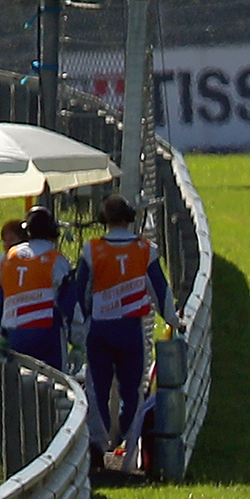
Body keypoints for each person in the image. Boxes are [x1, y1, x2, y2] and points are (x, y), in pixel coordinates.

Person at [79, 195, 183, 473]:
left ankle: (98, 447)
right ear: (129, 218)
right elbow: (160, 290)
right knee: (133, 391)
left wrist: (80, 325)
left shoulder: (92, 250)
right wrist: (173, 319)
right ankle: (130, 448)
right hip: (131, 329)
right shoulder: (145, 249)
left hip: (99, 329)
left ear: (104, 220)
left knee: (97, 389)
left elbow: (81, 292)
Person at [0, 206, 78, 371]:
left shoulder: (6, 258)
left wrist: (2, 332)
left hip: (14, 331)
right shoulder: (56, 260)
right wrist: (77, 341)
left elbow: (1, 298)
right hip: (46, 331)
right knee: (56, 380)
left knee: (19, 381)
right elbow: (69, 303)